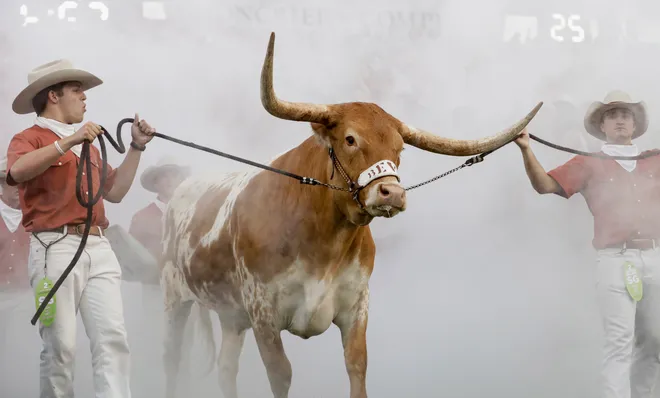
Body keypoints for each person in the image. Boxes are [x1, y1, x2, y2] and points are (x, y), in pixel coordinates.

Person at [5, 59, 156, 398]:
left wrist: (137, 147)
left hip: (98, 247)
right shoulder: (28, 138)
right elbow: (17, 171)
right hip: (53, 249)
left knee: (113, 338)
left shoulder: (86, 141)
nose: (85, 99)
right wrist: (70, 140)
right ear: (53, 96)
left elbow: (115, 192)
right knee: (60, 346)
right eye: (77, 92)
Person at [515, 90, 660, 398]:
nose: (620, 120)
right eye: (613, 115)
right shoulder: (587, 163)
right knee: (620, 341)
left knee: (655, 342)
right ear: (602, 126)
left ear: (634, 125)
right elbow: (544, 185)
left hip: (655, 256)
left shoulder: (655, 158)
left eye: (626, 115)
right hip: (614, 261)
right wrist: (526, 150)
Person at [127, 155, 190, 397]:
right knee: (158, 341)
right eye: (164, 176)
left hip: (190, 291)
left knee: (188, 344)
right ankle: (158, 390)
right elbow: (132, 258)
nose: (170, 180)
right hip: (156, 290)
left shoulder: (195, 210)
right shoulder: (141, 217)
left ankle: (186, 389)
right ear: (155, 183)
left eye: (174, 174)